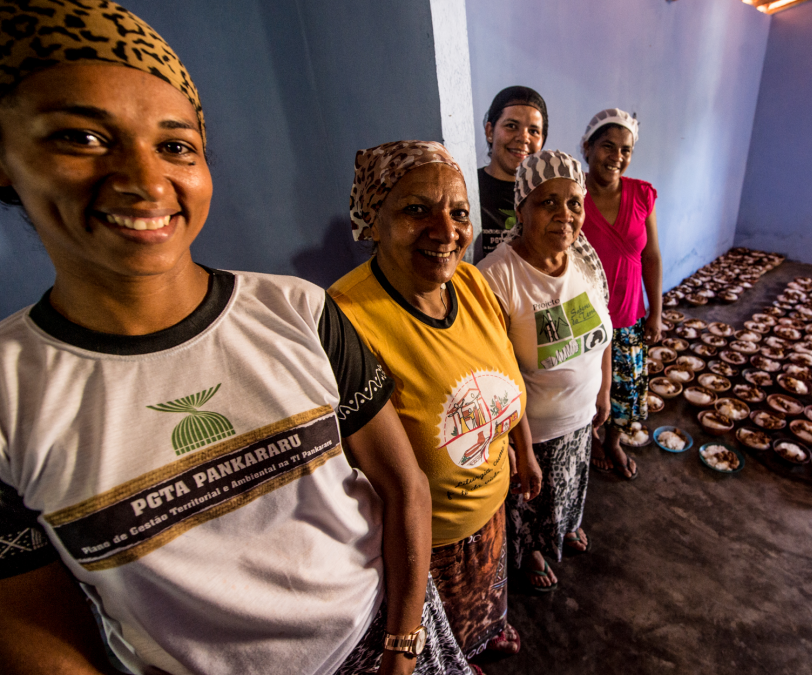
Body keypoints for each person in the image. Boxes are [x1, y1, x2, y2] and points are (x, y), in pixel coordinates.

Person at [0, 3, 470, 674]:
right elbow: (33, 626)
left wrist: (400, 648)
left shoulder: (297, 312)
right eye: (80, 137)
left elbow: (402, 484)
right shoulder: (12, 399)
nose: (142, 179)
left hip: (381, 634)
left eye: (174, 145)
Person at [329, 142, 542, 672]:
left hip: (491, 511)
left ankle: (488, 632)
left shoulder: (470, 283)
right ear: (373, 219)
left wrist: (524, 449)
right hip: (425, 544)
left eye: (458, 212)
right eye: (416, 209)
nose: (446, 231)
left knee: (486, 603)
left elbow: (506, 378)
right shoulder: (345, 319)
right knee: (441, 638)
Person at [477, 150, 612, 592]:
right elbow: (494, 380)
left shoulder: (586, 262)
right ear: (522, 209)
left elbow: (604, 333)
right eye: (547, 201)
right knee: (531, 502)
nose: (565, 214)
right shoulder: (498, 278)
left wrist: (603, 392)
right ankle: (534, 549)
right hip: (532, 431)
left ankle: (565, 525)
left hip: (579, 418)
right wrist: (522, 448)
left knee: (570, 490)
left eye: (574, 202)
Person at [579, 108, 663, 481]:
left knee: (625, 390)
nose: (616, 157)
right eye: (607, 146)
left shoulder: (641, 194)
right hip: (584, 320)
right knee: (585, 389)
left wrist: (656, 312)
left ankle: (612, 441)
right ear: (587, 147)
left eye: (625, 149)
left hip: (628, 315)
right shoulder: (572, 194)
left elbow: (652, 256)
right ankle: (589, 438)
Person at [475, 86, 547, 261]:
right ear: (490, 131)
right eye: (511, 126)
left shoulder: (547, 195)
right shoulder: (468, 187)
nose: (523, 137)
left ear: (542, 141)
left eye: (533, 131)